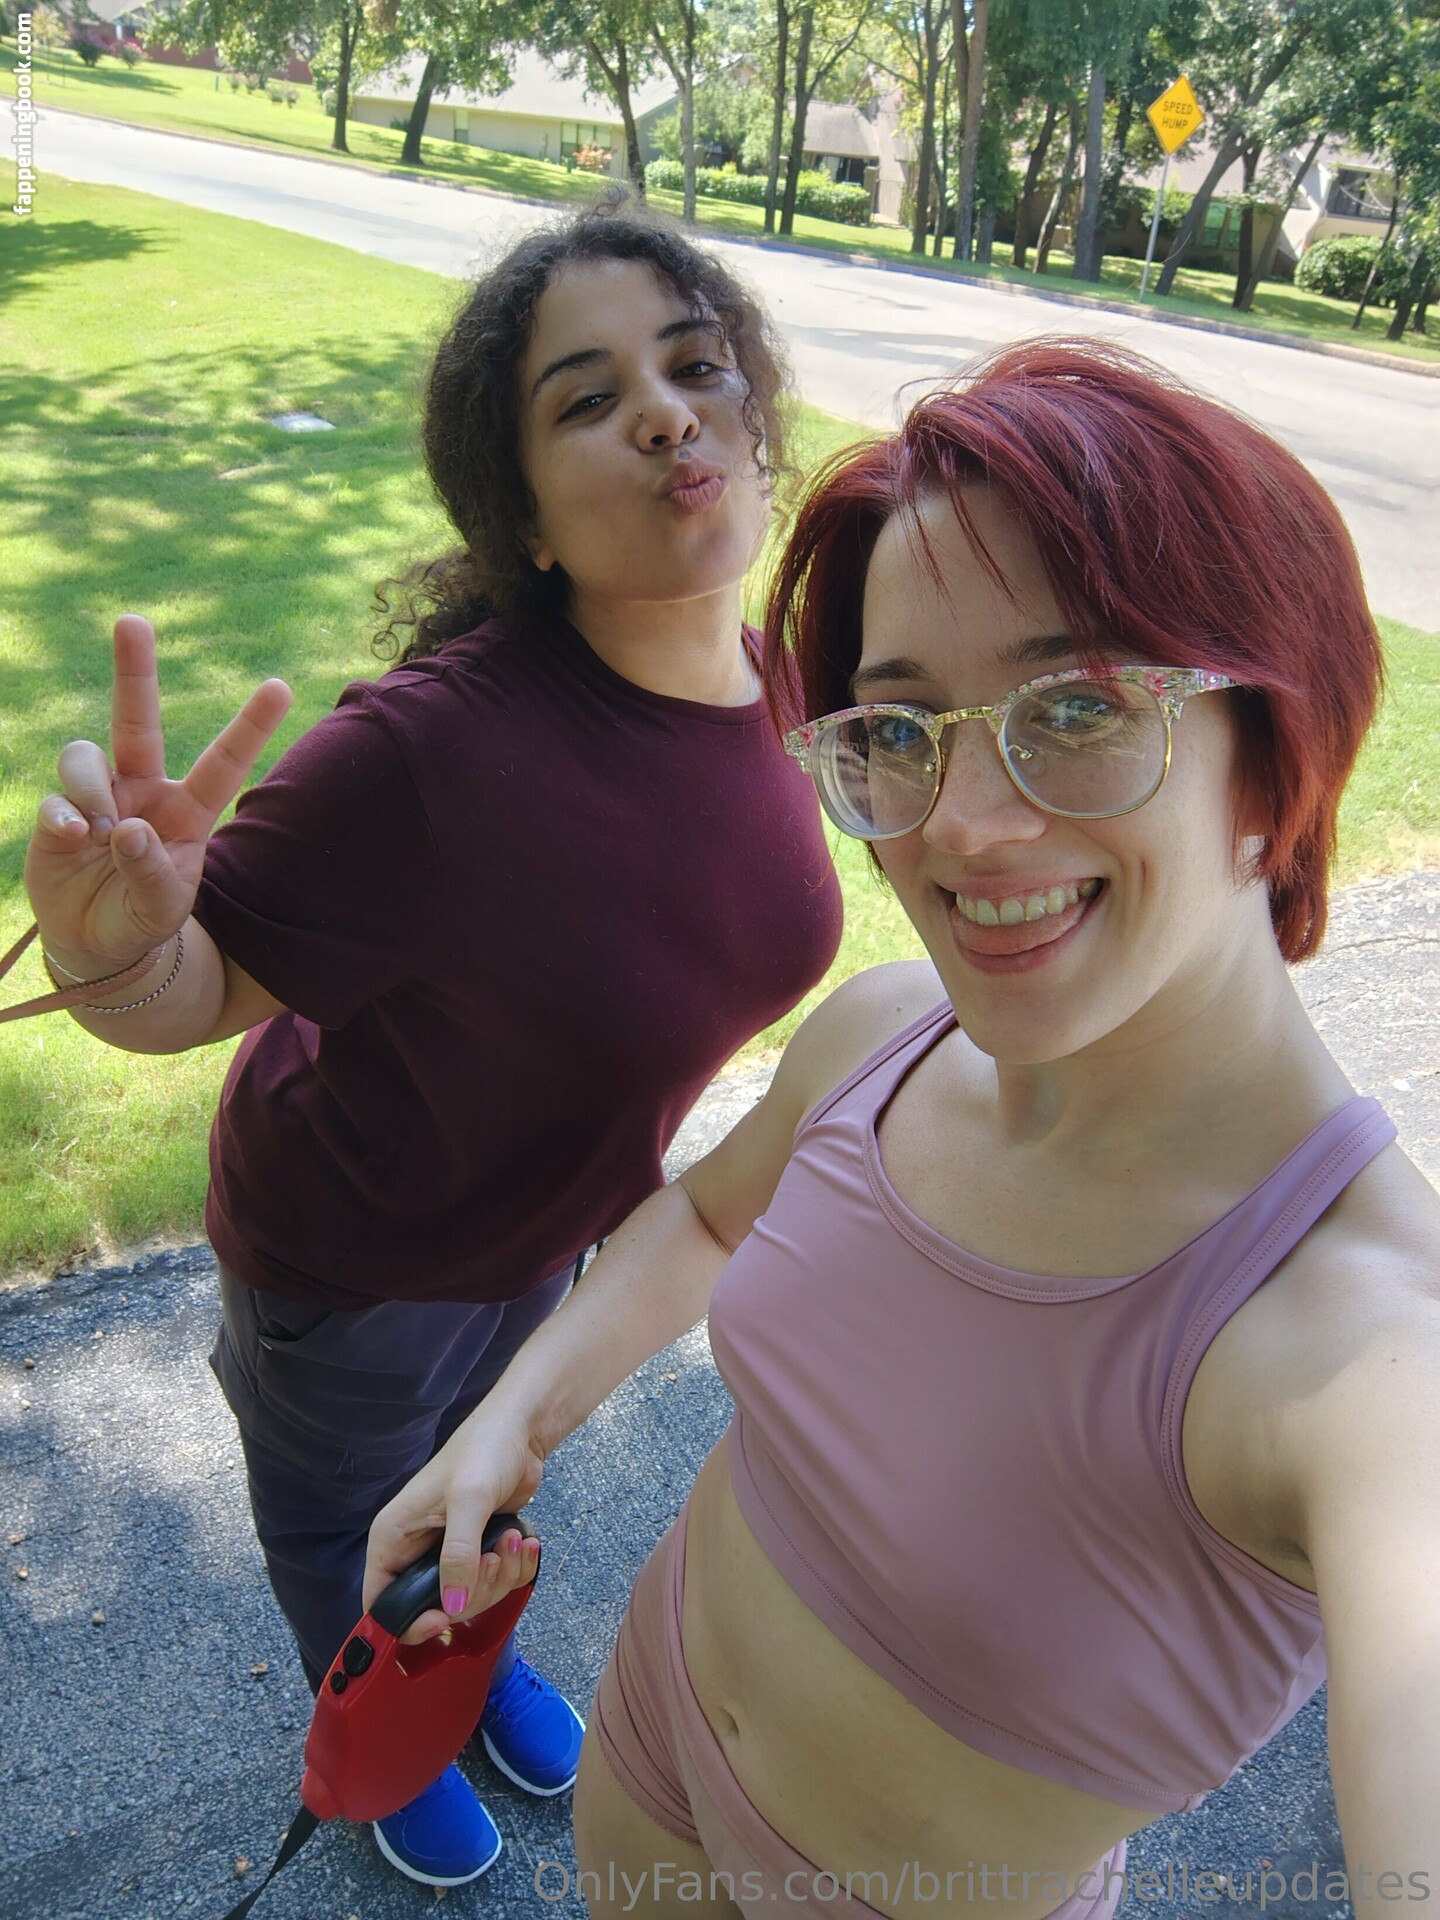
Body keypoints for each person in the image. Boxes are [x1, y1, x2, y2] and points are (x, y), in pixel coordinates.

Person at [363, 339, 1440, 1919]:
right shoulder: (885, 1032)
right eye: (904, 728)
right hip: (649, 1739)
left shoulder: (1366, 1350)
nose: (963, 826)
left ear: (1275, 763)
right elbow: (708, 1218)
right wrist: (512, 1421)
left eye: (1077, 707)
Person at [21, 192, 842, 1888]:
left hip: (554, 1240)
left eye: (694, 365)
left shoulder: (768, 682)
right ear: (522, 516)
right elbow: (192, 995)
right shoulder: (430, 754)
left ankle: (461, 1655)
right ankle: (378, 1723)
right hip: (356, 1261)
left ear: (752, 411)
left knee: (490, 1474)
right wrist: (121, 955)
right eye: (588, 398)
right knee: (343, 1521)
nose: (665, 412)